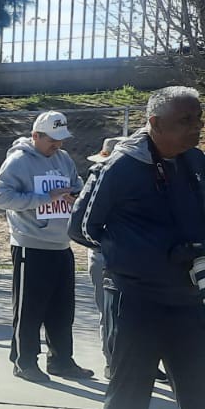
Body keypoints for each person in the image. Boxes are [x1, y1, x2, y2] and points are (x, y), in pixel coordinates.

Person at [70, 87, 205, 409]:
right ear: (155, 123)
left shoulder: (197, 163)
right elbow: (84, 228)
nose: (195, 128)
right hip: (136, 296)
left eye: (198, 119)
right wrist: (139, 255)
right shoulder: (121, 167)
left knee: (198, 386)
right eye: (186, 121)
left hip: (188, 298)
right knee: (130, 387)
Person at [0, 111, 91, 382]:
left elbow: (77, 184)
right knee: (29, 309)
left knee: (62, 308)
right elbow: (0, 197)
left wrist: (75, 195)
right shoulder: (19, 161)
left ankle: (61, 361)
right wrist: (43, 197)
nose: (57, 145)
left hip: (61, 244)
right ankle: (24, 362)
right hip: (30, 246)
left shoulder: (64, 159)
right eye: (51, 140)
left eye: (61, 139)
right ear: (36, 136)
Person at [83, 137, 124, 371]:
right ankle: (112, 361)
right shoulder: (97, 181)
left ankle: (135, 360)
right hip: (102, 254)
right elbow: (84, 225)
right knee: (108, 312)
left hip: (127, 256)